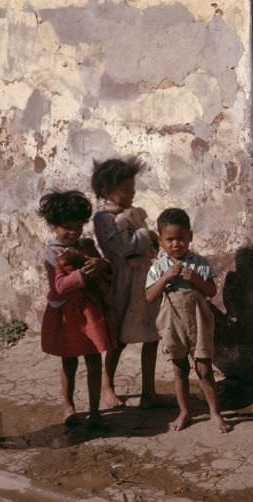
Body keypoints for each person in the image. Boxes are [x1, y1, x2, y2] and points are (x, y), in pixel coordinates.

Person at [145, 208, 231, 433]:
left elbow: (211, 291)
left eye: (181, 238)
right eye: (170, 240)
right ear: (161, 241)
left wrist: (195, 279)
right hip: (173, 323)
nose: (176, 244)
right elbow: (149, 296)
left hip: (198, 322)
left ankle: (215, 412)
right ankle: (184, 411)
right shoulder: (158, 267)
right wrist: (165, 278)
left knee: (204, 368)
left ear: (190, 236)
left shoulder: (199, 263)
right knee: (179, 368)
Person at [38, 190, 115, 429]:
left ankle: (94, 412)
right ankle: (68, 407)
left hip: (90, 311)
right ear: (53, 226)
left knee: (94, 360)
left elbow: (107, 269)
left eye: (78, 226)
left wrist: (101, 264)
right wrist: (82, 274)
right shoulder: (52, 252)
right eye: (67, 227)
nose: (73, 232)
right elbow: (59, 287)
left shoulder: (86, 245)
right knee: (69, 361)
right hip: (66, 314)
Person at [92, 157, 163, 409]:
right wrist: (147, 235)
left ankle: (149, 392)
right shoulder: (104, 218)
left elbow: (145, 244)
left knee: (152, 334)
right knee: (119, 338)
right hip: (123, 281)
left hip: (144, 277)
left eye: (133, 189)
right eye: (125, 190)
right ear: (106, 190)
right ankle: (107, 387)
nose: (131, 194)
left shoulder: (130, 213)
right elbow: (122, 246)